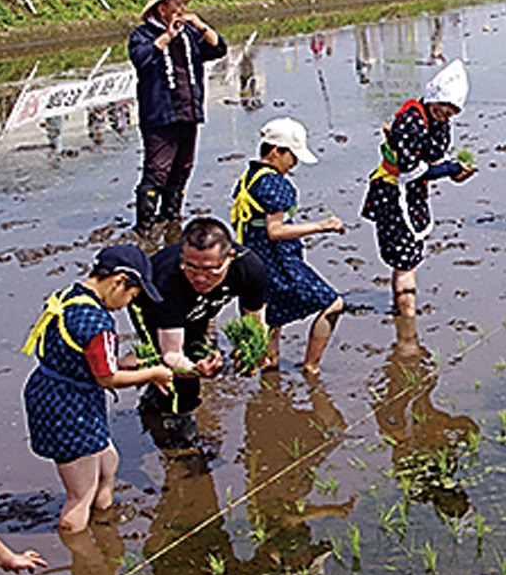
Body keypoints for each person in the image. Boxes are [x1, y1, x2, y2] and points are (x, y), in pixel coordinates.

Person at [22, 245, 173, 532]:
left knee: (108, 462)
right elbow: (106, 379)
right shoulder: (97, 322)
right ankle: (80, 553)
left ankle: (104, 524)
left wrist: (120, 362)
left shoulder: (68, 297)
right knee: (81, 493)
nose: (129, 302)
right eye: (132, 294)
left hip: (51, 390)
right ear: (118, 281)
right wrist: (150, 374)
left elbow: (75, 353)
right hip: (67, 406)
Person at [361, 60, 477, 317]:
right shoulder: (411, 121)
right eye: (443, 110)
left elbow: (432, 163)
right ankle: (407, 324)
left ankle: (403, 312)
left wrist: (456, 173)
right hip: (393, 193)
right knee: (406, 259)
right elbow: (411, 170)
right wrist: (448, 169)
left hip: (412, 193)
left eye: (451, 114)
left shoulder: (438, 123)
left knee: (411, 256)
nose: (445, 117)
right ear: (433, 98)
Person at [230, 118, 345, 374]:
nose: (294, 164)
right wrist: (322, 225)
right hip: (277, 261)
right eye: (292, 156)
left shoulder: (250, 176)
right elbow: (276, 230)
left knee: (271, 320)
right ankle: (311, 366)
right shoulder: (275, 183)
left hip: (253, 258)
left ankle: (270, 381)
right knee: (333, 303)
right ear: (275, 151)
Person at [129, 217, 267, 419]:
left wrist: (250, 353)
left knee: (197, 349)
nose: (200, 278)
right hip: (152, 310)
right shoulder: (166, 278)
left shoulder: (249, 268)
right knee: (181, 384)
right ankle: (175, 434)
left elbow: (255, 322)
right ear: (182, 256)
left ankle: (156, 399)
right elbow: (171, 354)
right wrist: (195, 369)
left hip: (198, 308)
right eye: (191, 267)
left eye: (210, 269)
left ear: (229, 257)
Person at [128, 0, 228, 235]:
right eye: (178, 4)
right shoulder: (143, 35)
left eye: (185, 4)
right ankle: (144, 226)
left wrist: (200, 25)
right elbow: (142, 59)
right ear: (163, 9)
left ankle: (171, 217)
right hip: (160, 114)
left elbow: (218, 48)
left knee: (183, 168)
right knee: (157, 170)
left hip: (188, 111)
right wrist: (167, 37)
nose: (183, 9)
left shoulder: (188, 34)